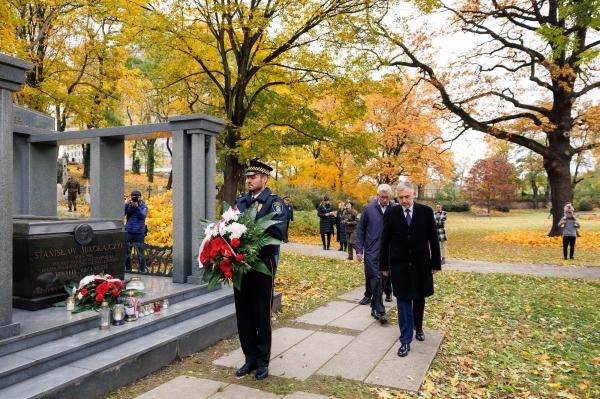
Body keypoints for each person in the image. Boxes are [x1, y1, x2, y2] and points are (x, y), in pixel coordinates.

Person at [234, 159, 286, 381]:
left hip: (263, 265)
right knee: (243, 313)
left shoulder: (274, 203)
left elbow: (279, 231)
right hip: (240, 265)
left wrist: (253, 232)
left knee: (261, 312)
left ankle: (263, 360)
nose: (249, 181)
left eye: (253, 177)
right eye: (247, 177)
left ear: (264, 179)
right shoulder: (241, 202)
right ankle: (249, 358)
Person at [380, 182, 441, 357]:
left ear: (413, 194)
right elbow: (385, 240)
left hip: (421, 265)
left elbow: (433, 240)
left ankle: (419, 327)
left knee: (419, 298)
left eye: (407, 197)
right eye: (401, 198)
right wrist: (384, 266)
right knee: (403, 301)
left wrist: (435, 263)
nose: (404, 201)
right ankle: (405, 340)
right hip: (399, 265)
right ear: (397, 197)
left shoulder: (426, 212)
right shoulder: (392, 213)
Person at [356, 184, 395, 324]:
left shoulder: (395, 209)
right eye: (382, 197)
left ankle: (374, 306)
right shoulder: (368, 209)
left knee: (383, 281)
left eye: (387, 197)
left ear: (390, 196)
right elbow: (360, 230)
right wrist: (359, 250)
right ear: (378, 195)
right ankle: (380, 311)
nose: (384, 200)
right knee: (376, 279)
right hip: (372, 251)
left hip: (389, 252)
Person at [124, 190, 148, 273]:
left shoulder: (143, 206)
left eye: (137, 197)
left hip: (139, 233)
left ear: (140, 198)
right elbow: (122, 213)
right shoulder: (129, 205)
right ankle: (127, 269)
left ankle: (142, 270)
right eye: (133, 197)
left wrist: (137, 207)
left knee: (140, 252)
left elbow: (142, 216)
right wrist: (126, 204)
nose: (135, 199)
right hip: (129, 231)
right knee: (127, 252)